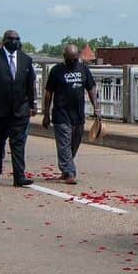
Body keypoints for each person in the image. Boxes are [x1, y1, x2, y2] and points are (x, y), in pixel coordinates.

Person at [0, 29, 37, 187]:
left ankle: (19, 176)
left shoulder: (26, 59)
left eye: (17, 39)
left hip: (20, 109)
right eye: (11, 39)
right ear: (4, 40)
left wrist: (33, 104)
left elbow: (30, 84)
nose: (15, 41)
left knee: (18, 143)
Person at [42, 43, 100, 185]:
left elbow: (91, 88)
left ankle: (66, 168)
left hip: (78, 114)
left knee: (74, 143)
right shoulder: (56, 71)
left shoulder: (83, 69)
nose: (73, 62)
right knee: (64, 144)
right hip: (61, 113)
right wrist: (46, 114)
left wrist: (96, 108)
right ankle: (69, 172)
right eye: (70, 59)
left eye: (75, 59)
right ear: (65, 58)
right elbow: (48, 93)